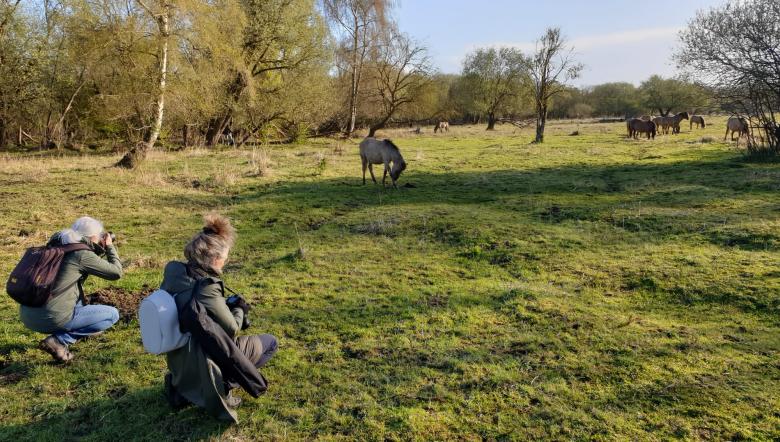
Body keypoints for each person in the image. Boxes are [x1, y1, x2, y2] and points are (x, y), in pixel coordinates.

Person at [160, 213, 277, 422]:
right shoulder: (205, 287)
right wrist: (240, 309)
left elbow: (199, 314)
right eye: (225, 258)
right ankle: (224, 383)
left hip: (180, 357)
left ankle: (189, 388)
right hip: (205, 358)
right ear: (214, 259)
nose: (225, 262)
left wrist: (223, 305)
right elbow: (231, 328)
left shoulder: (175, 274)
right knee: (270, 343)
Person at [20, 216, 122, 363]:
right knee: (111, 315)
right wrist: (110, 246)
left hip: (28, 316)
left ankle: (80, 329)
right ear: (93, 236)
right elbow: (115, 272)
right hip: (50, 317)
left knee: (77, 299)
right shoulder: (80, 254)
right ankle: (60, 340)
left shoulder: (56, 247)